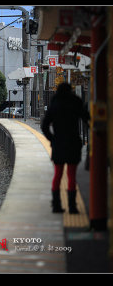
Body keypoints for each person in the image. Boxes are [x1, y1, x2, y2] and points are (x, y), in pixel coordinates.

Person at [41, 82, 89, 214]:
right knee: (71, 175)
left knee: (58, 174)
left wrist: (52, 138)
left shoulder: (55, 103)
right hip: (73, 143)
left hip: (59, 144)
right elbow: (87, 118)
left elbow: (44, 125)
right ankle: (72, 207)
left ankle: (56, 206)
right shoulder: (75, 102)